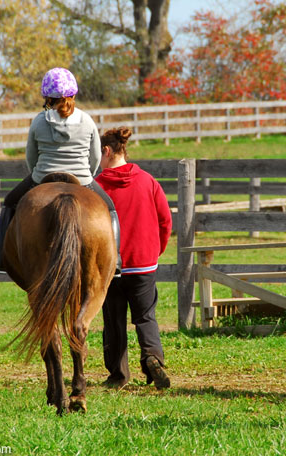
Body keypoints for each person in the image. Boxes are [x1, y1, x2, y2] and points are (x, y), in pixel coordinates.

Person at [0, 67, 121, 275]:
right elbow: (95, 156)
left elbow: (31, 156)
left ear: (46, 97)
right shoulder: (86, 120)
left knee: (9, 202)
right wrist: (87, 173)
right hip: (82, 178)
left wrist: (37, 175)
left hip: (43, 177)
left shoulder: (39, 121)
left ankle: (0, 259)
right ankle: (116, 262)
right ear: (73, 94)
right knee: (111, 209)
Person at [95, 127, 172, 390]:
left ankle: (118, 375)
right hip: (144, 263)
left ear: (106, 151)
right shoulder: (148, 181)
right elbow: (165, 219)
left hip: (111, 266)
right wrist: (155, 250)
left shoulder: (97, 186)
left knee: (113, 320)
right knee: (145, 315)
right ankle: (152, 357)